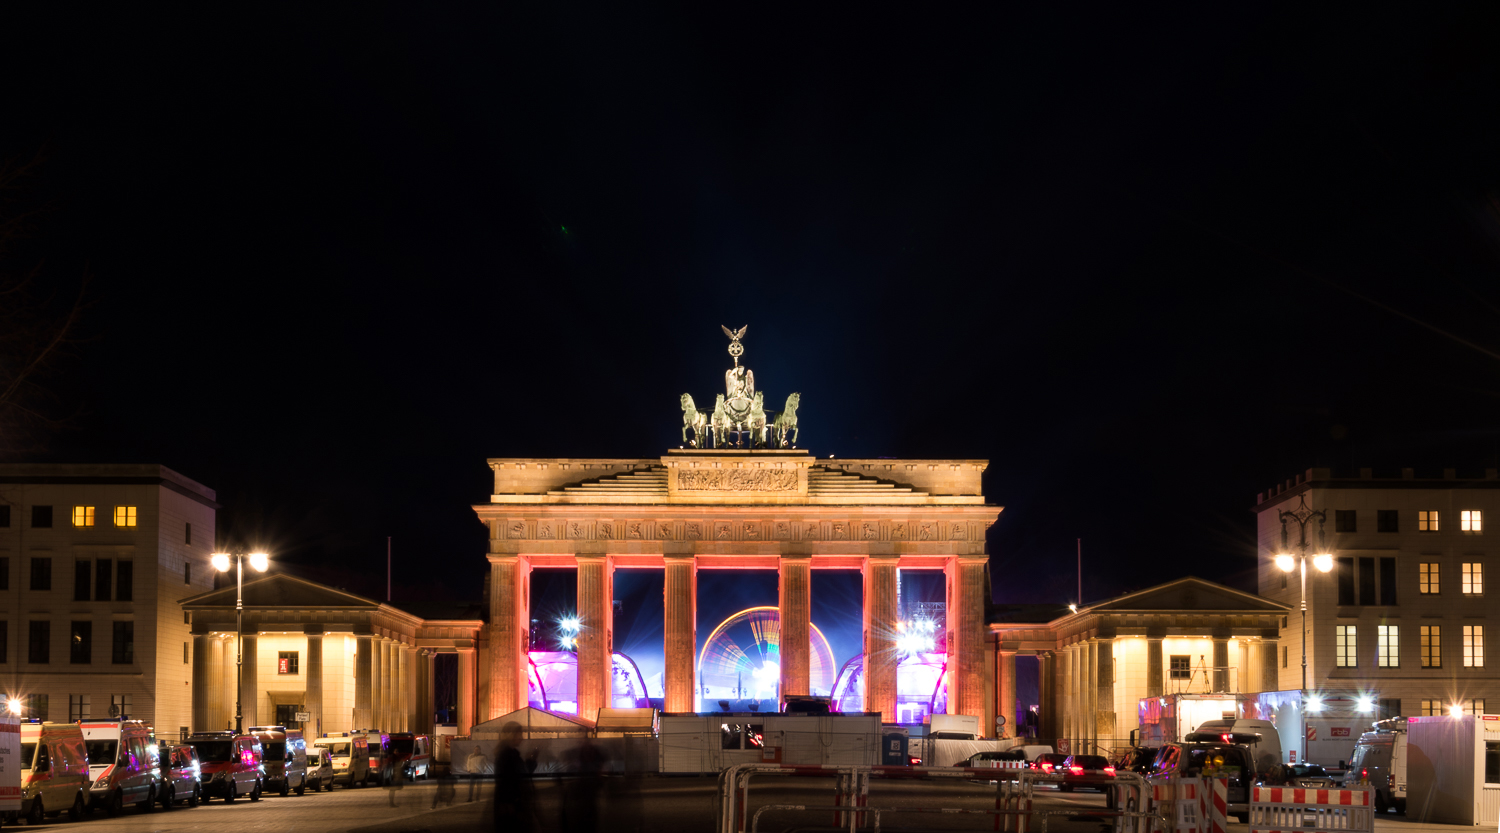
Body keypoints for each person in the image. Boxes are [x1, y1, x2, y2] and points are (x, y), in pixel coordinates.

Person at [493, 722, 537, 832]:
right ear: (511, 735)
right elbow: (508, 780)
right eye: (520, 734)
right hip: (512, 805)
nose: (522, 738)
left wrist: (530, 762)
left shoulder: (509, 753)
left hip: (512, 803)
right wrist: (510, 802)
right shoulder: (508, 755)